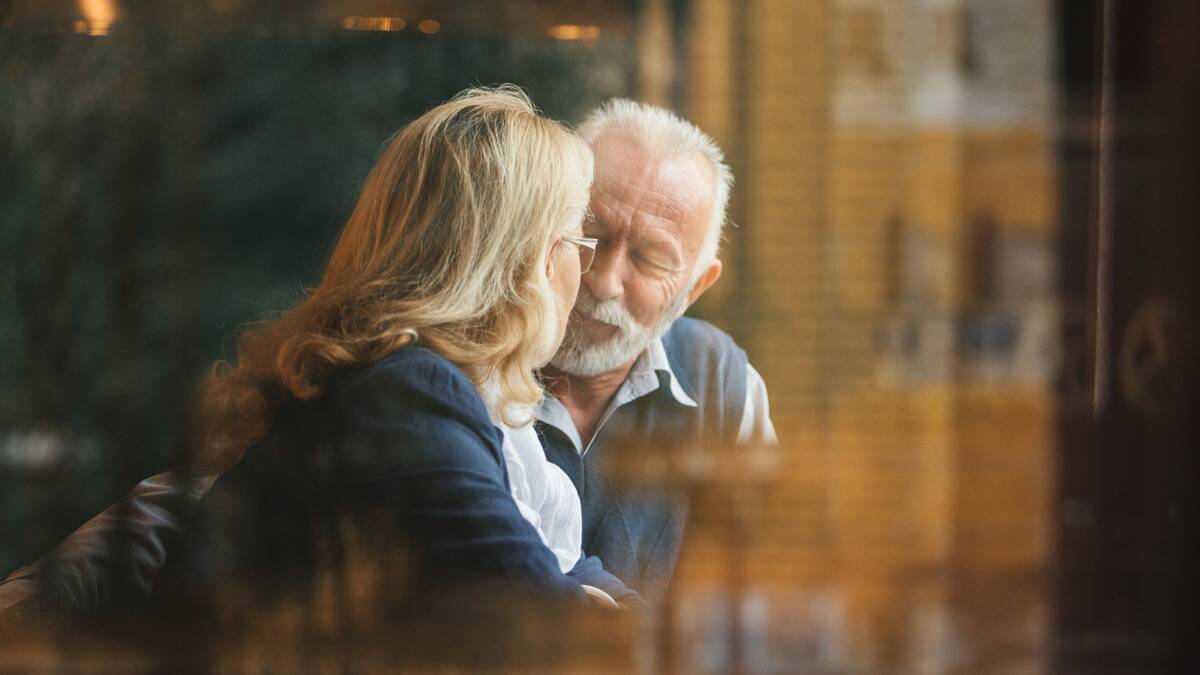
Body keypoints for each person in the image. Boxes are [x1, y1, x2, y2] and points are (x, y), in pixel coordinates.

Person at [0, 86, 638, 627]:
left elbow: (570, 572)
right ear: (522, 262)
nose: (587, 274)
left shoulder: (453, 404)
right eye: (578, 241)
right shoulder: (410, 392)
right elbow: (537, 616)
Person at [537, 99, 777, 601]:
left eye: (650, 258)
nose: (602, 282)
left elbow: (753, 595)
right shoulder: (473, 362)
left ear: (694, 288)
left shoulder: (726, 390)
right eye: (590, 234)